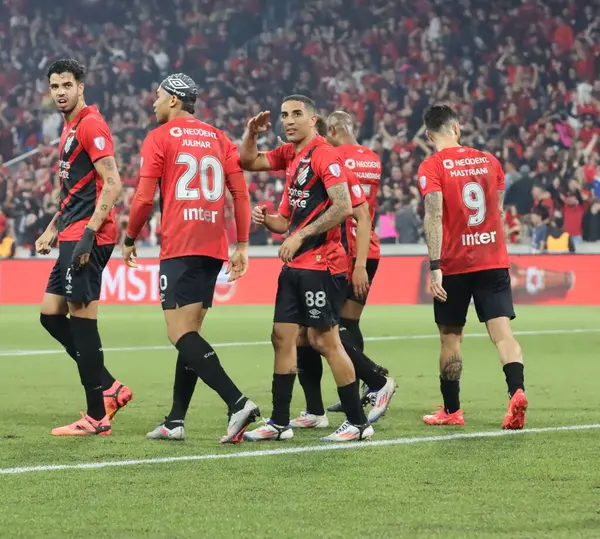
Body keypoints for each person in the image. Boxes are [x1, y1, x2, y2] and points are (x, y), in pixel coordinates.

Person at [122, 73, 259, 444]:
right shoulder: (219, 137)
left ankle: (237, 402)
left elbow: (144, 198)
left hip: (180, 243)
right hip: (214, 244)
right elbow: (240, 195)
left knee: (178, 333)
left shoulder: (159, 137)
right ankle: (176, 420)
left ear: (173, 101)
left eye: (157, 96)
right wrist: (242, 245)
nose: (153, 102)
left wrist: (130, 236)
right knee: (191, 333)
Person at [240, 95, 374, 442]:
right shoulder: (291, 156)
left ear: (314, 119)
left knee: (324, 340)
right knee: (282, 337)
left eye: (297, 114)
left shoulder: (325, 154)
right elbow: (249, 163)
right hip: (295, 265)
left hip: (322, 265)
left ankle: (358, 422)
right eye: (284, 115)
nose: (289, 120)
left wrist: (300, 237)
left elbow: (344, 206)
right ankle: (279, 422)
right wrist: (252, 133)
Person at [36, 59, 132, 437]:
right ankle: (110, 386)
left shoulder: (91, 124)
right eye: (55, 86)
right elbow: (73, 192)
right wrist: (50, 230)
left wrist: (90, 234)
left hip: (87, 236)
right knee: (49, 314)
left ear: (81, 87)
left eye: (66, 85)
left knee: (82, 321)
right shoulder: (70, 128)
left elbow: (113, 183)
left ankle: (97, 415)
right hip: (70, 232)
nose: (60, 92)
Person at [417, 105, 527, 430]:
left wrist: (434, 265)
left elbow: (434, 215)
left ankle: (452, 410)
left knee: (451, 338)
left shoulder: (432, 165)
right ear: (457, 128)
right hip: (492, 260)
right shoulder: (490, 161)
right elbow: (500, 210)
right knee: (503, 335)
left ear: (428, 135)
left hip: (454, 264)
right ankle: (516, 391)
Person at [289, 112, 395, 428]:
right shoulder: (372, 159)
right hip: (370, 247)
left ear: (332, 130)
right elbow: (368, 210)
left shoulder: (333, 156)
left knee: (320, 332)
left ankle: (375, 381)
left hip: (343, 252)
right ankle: (363, 389)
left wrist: (356, 263)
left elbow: (350, 210)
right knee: (345, 324)